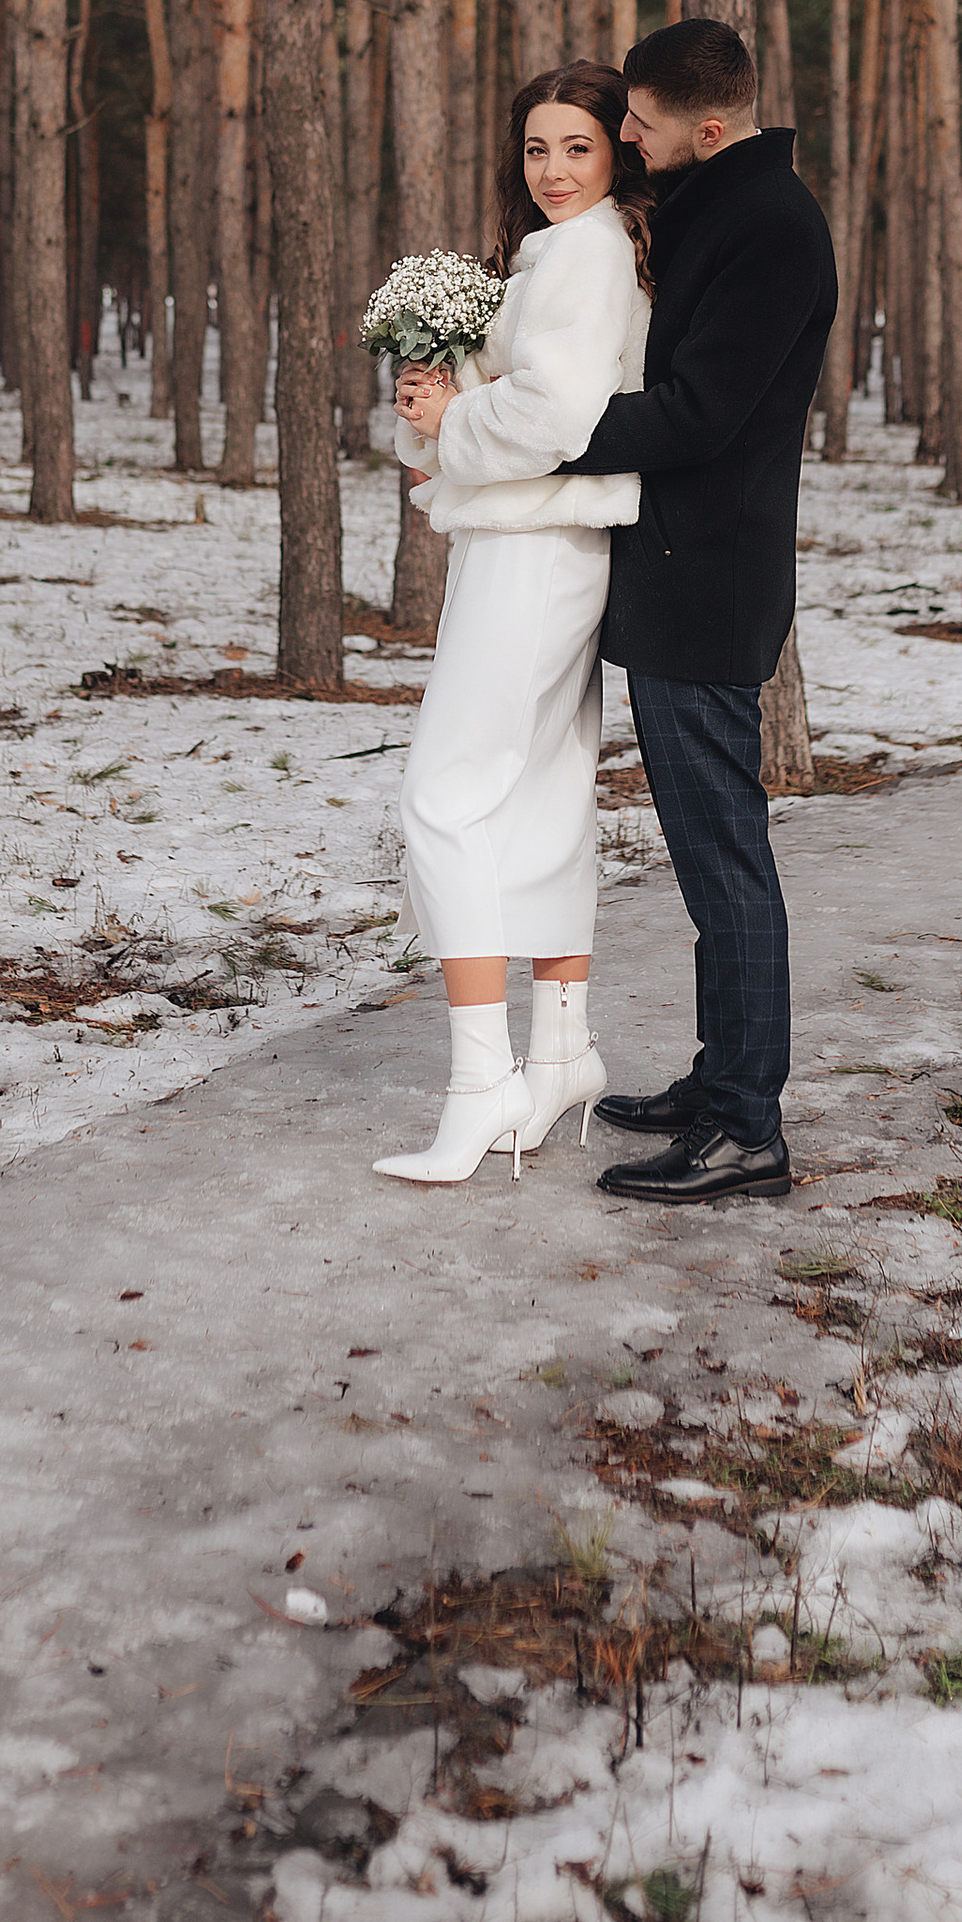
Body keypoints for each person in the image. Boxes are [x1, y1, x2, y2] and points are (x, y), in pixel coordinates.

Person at [556, 18, 837, 1206]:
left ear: (707, 128)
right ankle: (721, 1076)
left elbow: (699, 415)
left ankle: (744, 1129)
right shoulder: (718, 207)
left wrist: (538, 435)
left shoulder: (771, 230)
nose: (624, 134)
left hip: (709, 580)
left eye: (642, 121)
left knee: (726, 864)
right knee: (706, 857)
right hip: (676, 573)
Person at [374, 62, 653, 1185]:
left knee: (443, 798)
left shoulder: (585, 256)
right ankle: (562, 1051)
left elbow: (555, 414)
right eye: (536, 149)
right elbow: (509, 399)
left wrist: (458, 422)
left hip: (534, 546)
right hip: (544, 542)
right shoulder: (561, 253)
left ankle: (477, 1084)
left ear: (616, 153)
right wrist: (435, 405)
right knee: (538, 790)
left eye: (577, 148)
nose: (552, 171)